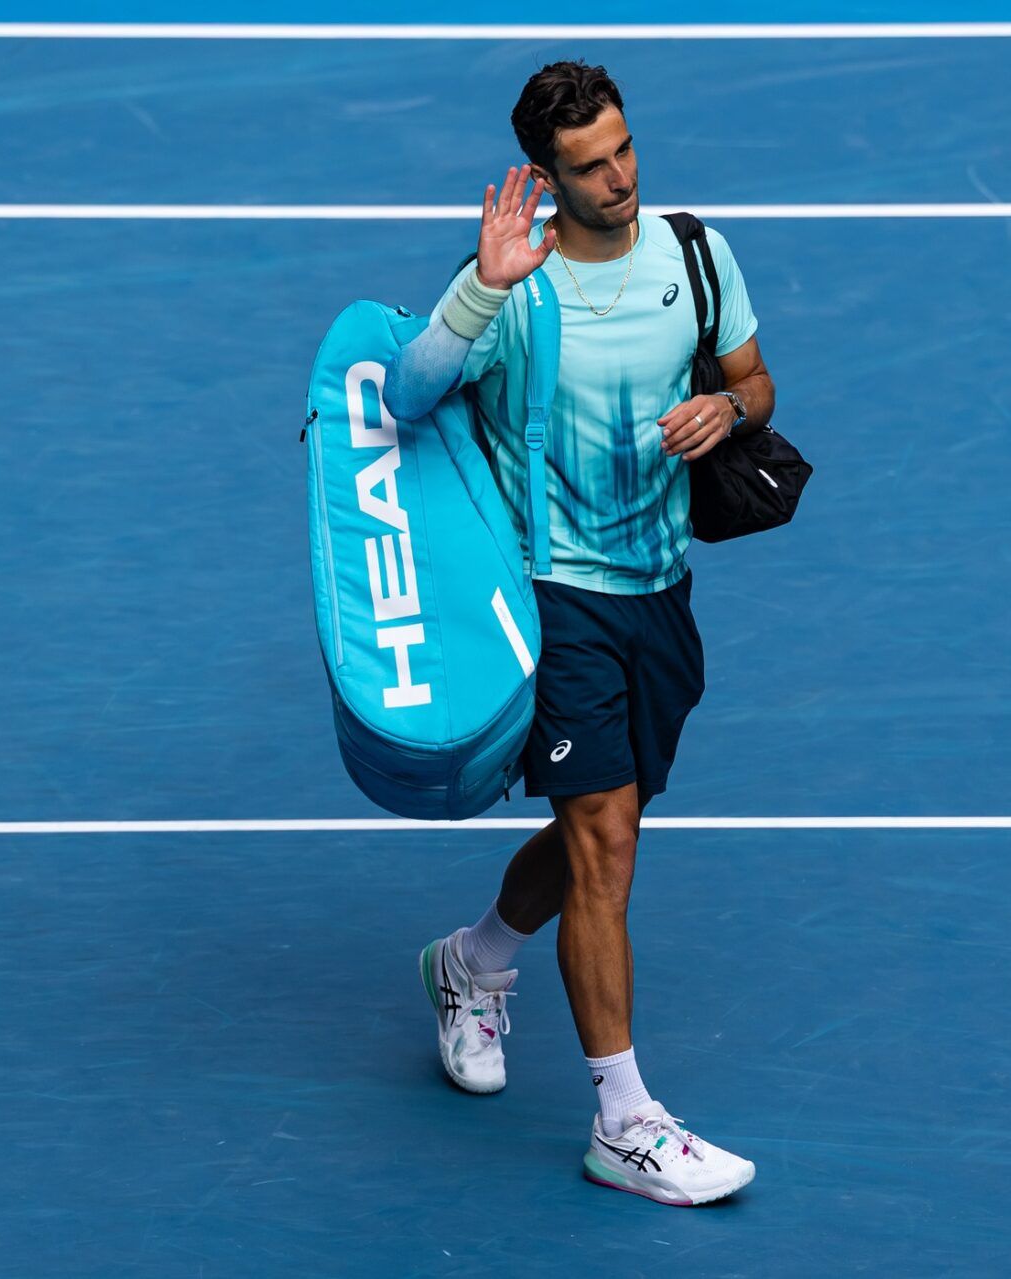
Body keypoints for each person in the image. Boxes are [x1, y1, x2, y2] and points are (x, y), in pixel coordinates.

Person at [383, 60, 775, 1207]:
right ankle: (626, 1120)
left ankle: (473, 962)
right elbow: (406, 395)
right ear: (545, 180)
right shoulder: (515, 284)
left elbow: (754, 379)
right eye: (590, 166)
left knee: (611, 823)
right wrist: (480, 291)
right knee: (605, 840)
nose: (619, 178)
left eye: (625, 150)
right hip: (555, 595)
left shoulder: (693, 252)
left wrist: (725, 409)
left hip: (662, 587)